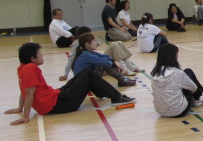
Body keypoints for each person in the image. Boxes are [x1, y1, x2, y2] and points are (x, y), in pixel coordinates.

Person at [5, 43, 135, 125]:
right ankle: (116, 97)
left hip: (55, 97)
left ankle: (104, 93)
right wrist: (26, 116)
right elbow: (29, 93)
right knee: (89, 75)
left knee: (85, 73)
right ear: (32, 58)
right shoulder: (30, 68)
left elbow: (23, 90)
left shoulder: (22, 68)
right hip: (58, 105)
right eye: (39, 54)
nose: (42, 55)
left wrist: (20, 108)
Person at [60, 26, 143, 80]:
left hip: (96, 63)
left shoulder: (87, 47)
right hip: (95, 69)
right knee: (114, 45)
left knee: (119, 43)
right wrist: (66, 74)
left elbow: (98, 55)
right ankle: (124, 70)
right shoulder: (78, 48)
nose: (91, 37)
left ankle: (131, 66)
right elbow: (70, 60)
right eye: (89, 35)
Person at [150, 43, 203, 118]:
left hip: (160, 111)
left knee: (181, 82)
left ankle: (197, 98)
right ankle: (197, 99)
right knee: (188, 72)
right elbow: (193, 88)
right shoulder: (177, 73)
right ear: (173, 57)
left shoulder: (154, 73)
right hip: (179, 111)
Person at [72, 33, 136, 87]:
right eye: (94, 41)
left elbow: (104, 56)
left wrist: (114, 61)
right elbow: (103, 62)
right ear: (87, 44)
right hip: (84, 82)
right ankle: (123, 80)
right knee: (104, 64)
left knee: (106, 62)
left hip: (85, 79)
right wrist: (115, 64)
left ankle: (123, 79)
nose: (96, 43)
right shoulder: (86, 55)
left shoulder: (88, 52)